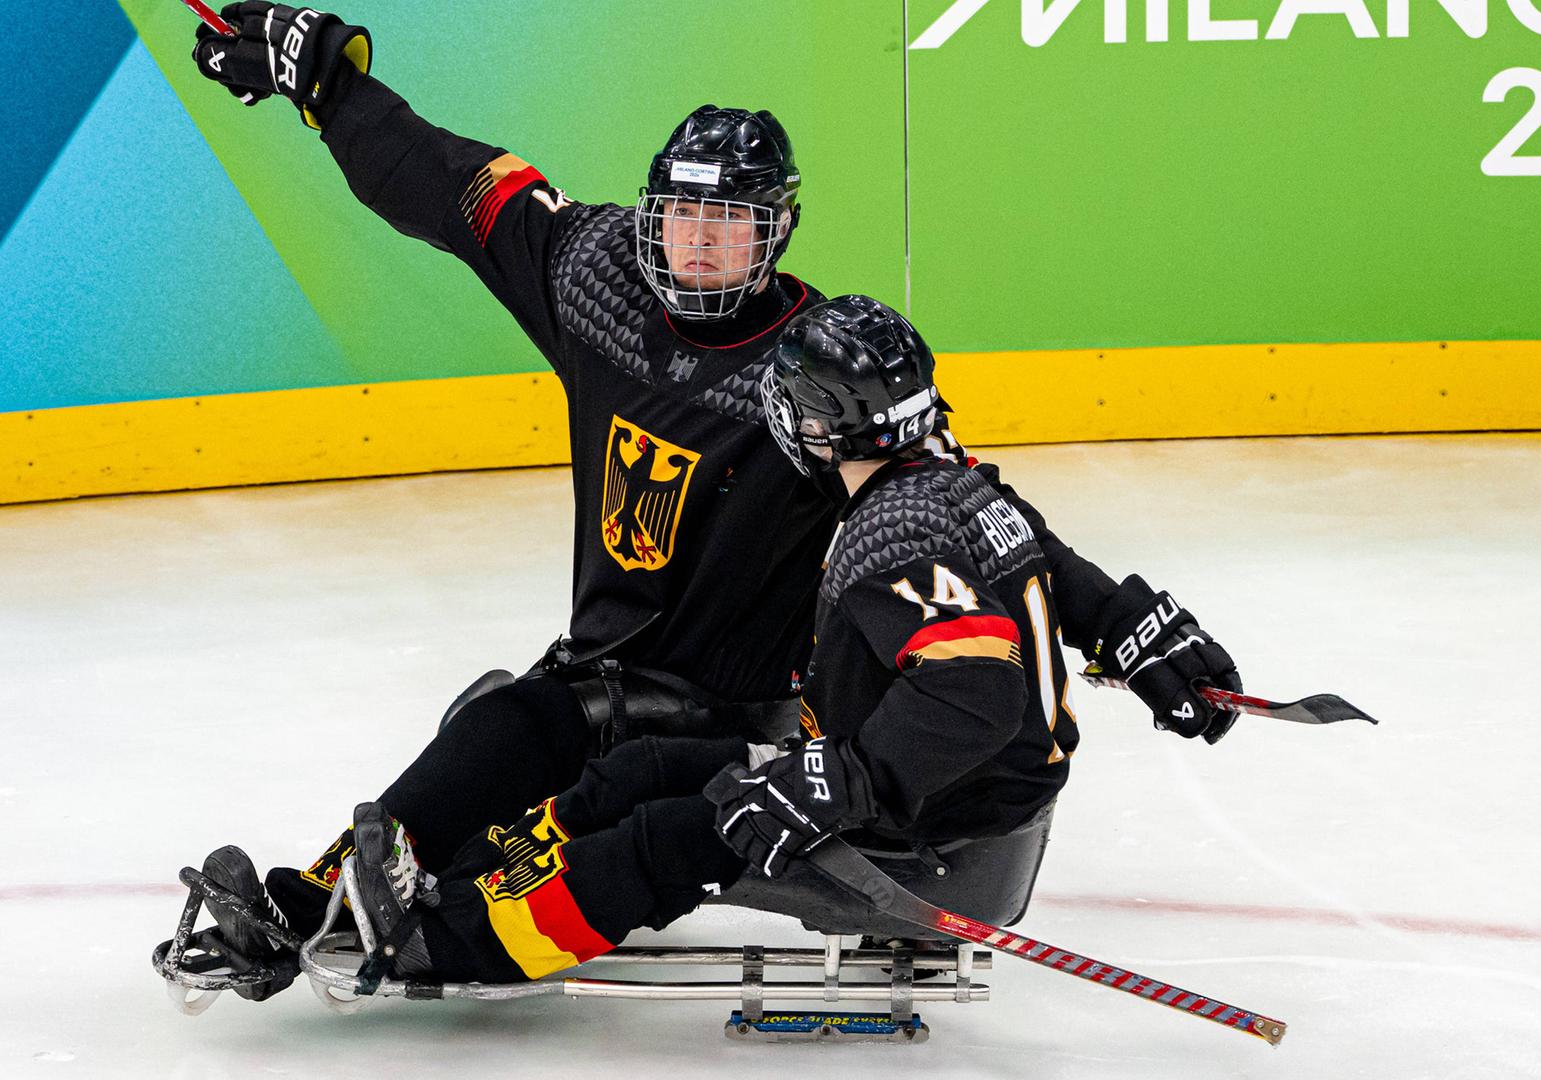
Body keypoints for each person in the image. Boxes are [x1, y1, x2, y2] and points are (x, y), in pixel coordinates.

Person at [173, 3, 1240, 997]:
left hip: (744, 709)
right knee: (497, 729)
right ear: (651, 214)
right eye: (682, 216)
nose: (698, 243)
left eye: (728, 225)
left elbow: (971, 516)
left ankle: (446, 918)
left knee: (557, 755)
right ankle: (305, 907)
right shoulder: (591, 274)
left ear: (774, 234)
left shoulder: (820, 376)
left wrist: (1123, 626)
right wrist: (326, 87)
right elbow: (442, 182)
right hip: (601, 670)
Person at [174, 296, 1247, 993]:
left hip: (930, 845)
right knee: (645, 769)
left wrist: (843, 784)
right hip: (954, 812)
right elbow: (1041, 577)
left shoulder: (885, 530)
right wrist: (1143, 633)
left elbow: (975, 694)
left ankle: (438, 938)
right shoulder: (952, 487)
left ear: (826, 423)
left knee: (672, 839)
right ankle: (454, 883)